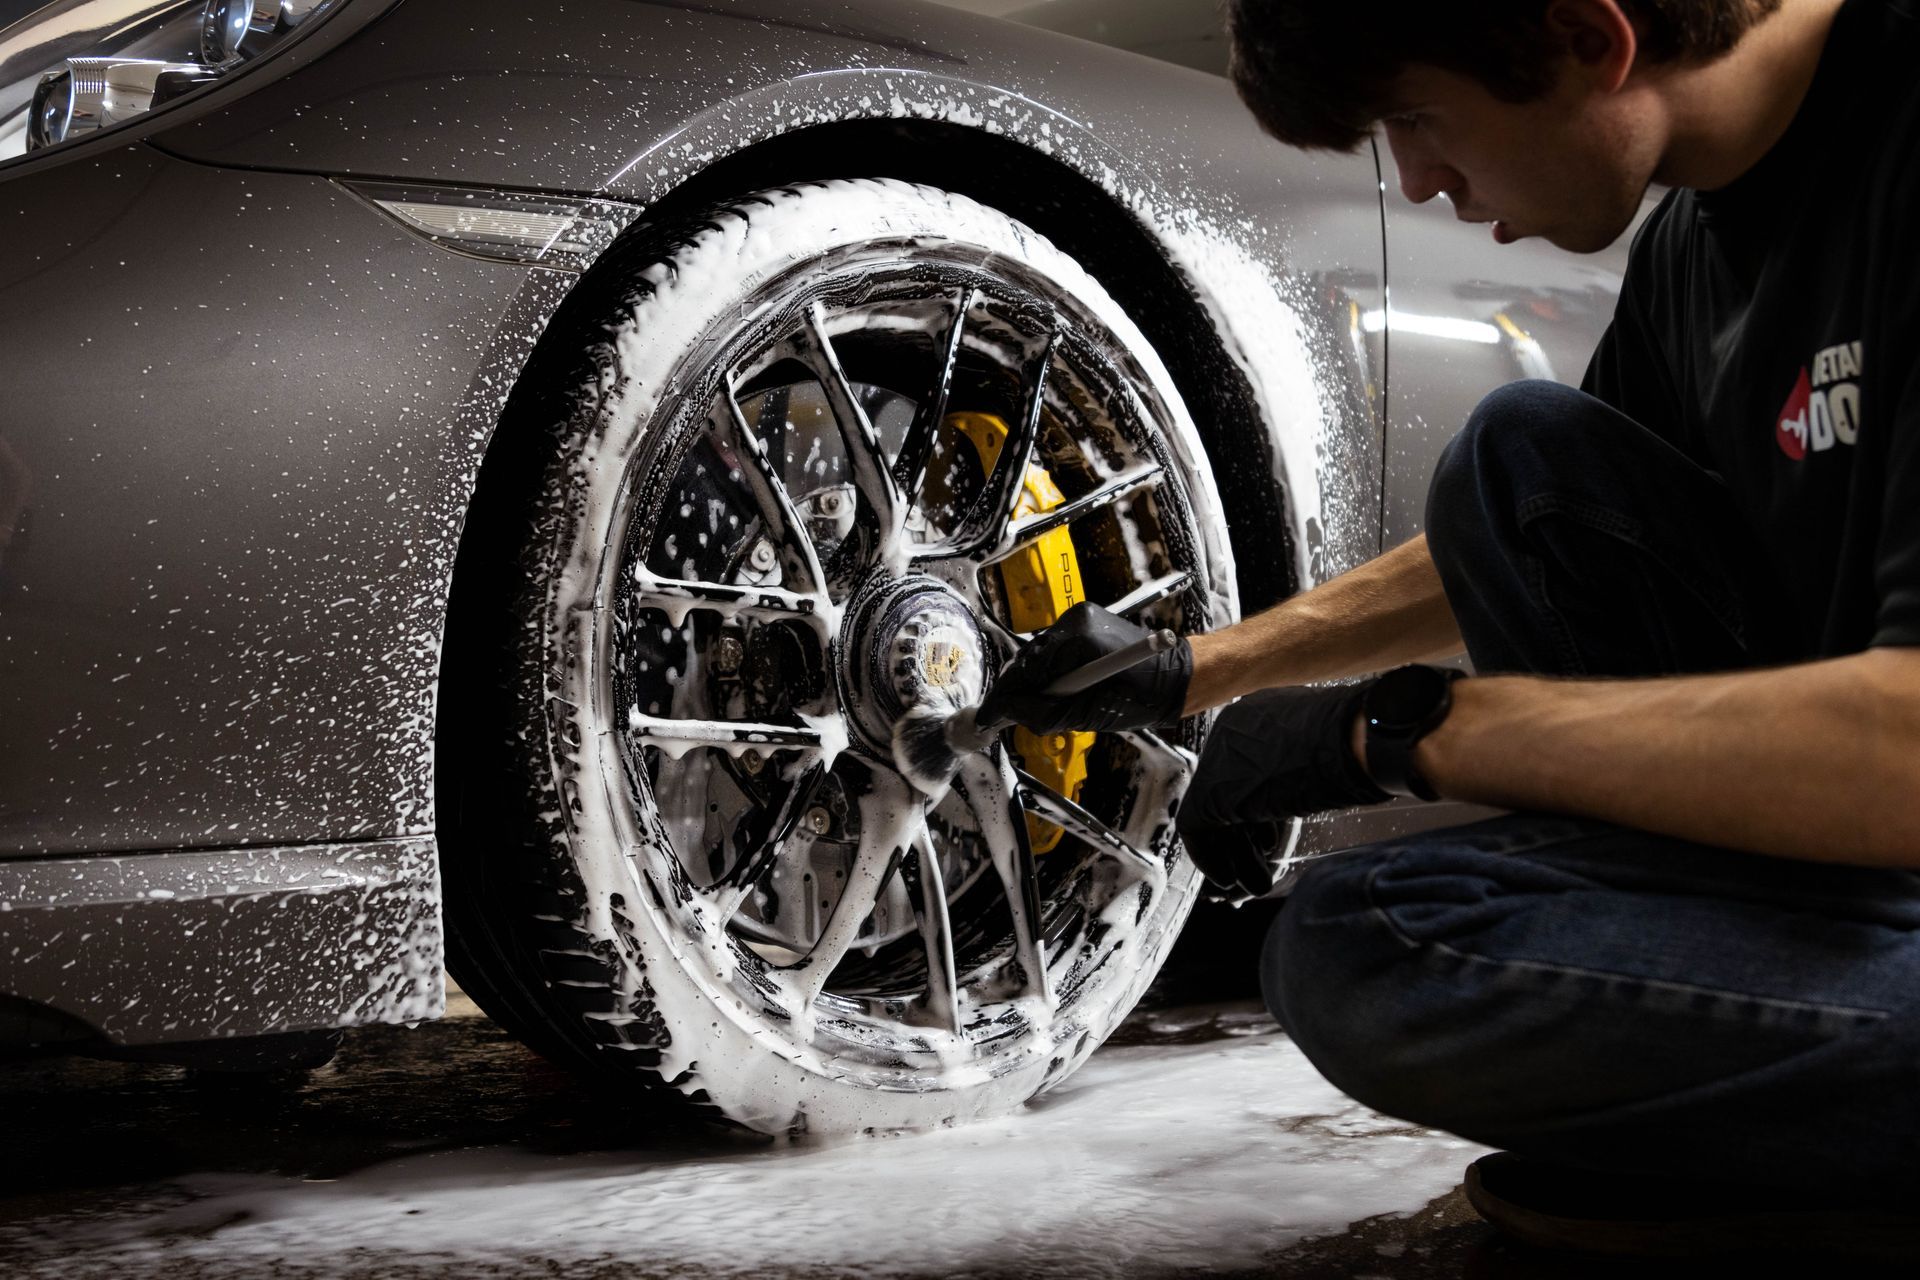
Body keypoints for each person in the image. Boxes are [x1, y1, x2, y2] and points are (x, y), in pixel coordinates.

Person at [979, 0, 1920, 1259]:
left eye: (1418, 118)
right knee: (1516, 458)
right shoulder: (1698, 240)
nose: (1417, 179)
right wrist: (1198, 667)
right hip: (1863, 878)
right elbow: (1537, 525)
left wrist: (1400, 729)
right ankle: (1788, 1094)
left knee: (1366, 946)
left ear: (1594, 38)